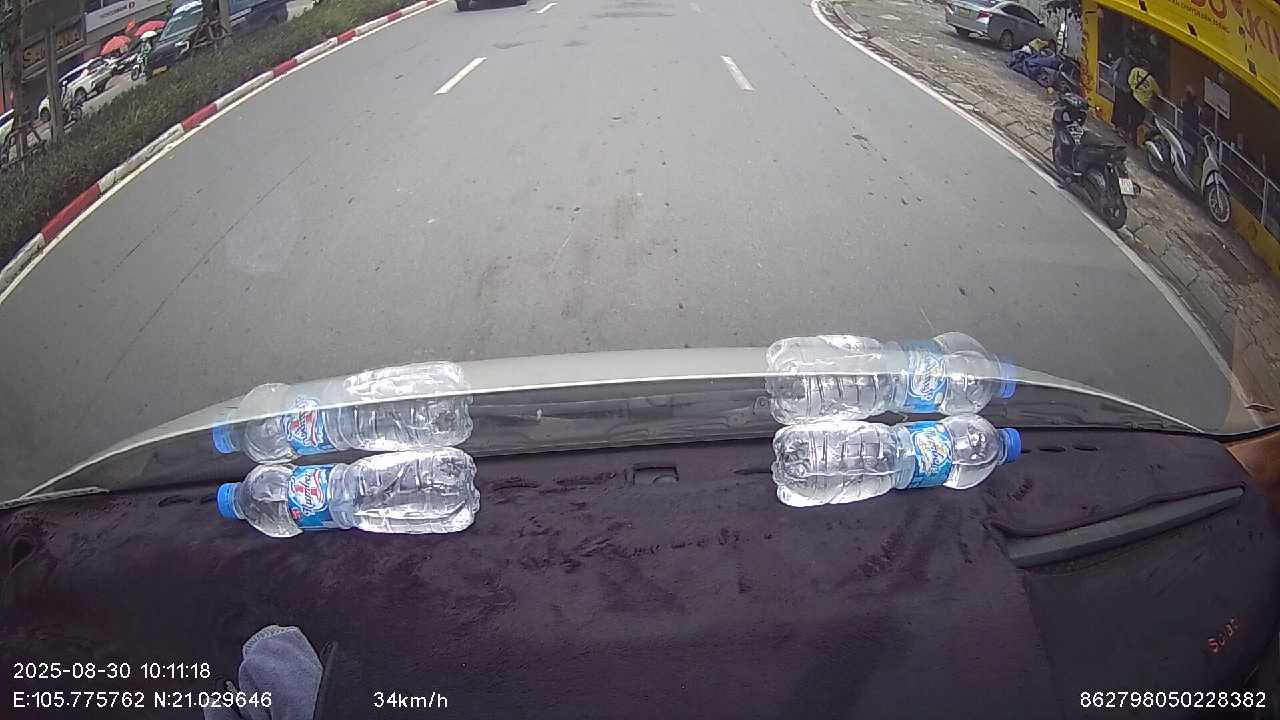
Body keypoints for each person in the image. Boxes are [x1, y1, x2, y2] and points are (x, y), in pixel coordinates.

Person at [1128, 59, 1162, 140]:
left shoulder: (1135, 70)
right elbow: (1159, 93)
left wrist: (1136, 88)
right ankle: (1135, 137)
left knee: (1132, 117)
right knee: (1139, 120)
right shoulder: (1151, 79)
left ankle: (1131, 134)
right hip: (1143, 102)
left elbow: (1129, 81)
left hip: (1133, 97)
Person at [1111, 51, 1136, 141]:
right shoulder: (1131, 64)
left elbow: (1113, 69)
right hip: (1124, 89)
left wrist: (1111, 81)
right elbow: (1113, 69)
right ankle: (1120, 128)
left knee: (1120, 107)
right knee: (1123, 109)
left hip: (1122, 88)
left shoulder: (1123, 61)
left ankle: (1118, 127)